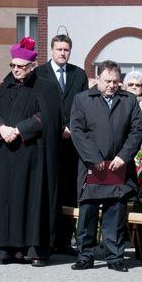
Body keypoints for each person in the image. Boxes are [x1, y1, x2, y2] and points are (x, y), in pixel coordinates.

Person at [0, 37, 62, 266]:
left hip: (33, 156)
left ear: (32, 67)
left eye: (20, 66)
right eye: (12, 66)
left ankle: (33, 250)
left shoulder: (46, 86)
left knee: (33, 201)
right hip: (5, 154)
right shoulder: (5, 86)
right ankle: (5, 249)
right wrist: (1, 128)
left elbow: (48, 117)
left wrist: (20, 129)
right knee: (5, 200)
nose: (15, 70)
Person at [70, 60, 142, 272]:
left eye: (115, 81)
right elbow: (77, 131)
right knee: (88, 214)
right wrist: (94, 159)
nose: (112, 85)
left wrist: (124, 156)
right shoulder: (82, 99)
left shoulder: (128, 100)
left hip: (118, 166)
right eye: (107, 81)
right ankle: (85, 255)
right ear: (97, 79)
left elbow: (136, 131)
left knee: (115, 213)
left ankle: (115, 257)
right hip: (92, 167)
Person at [34, 34, 89, 253]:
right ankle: (46, 239)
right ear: (51, 50)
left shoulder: (79, 74)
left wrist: (71, 128)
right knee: (47, 190)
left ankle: (65, 241)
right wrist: (57, 128)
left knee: (68, 192)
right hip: (47, 141)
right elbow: (38, 107)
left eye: (66, 50)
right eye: (59, 49)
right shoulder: (40, 74)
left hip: (71, 144)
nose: (62, 53)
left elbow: (83, 106)